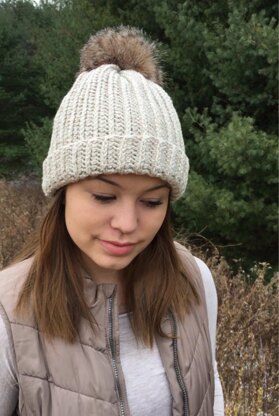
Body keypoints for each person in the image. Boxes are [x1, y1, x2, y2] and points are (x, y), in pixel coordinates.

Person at [0, 26, 224, 415]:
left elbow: (212, 396)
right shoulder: (8, 314)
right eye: (104, 196)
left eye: (152, 201)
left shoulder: (195, 281)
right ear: (63, 189)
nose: (126, 222)